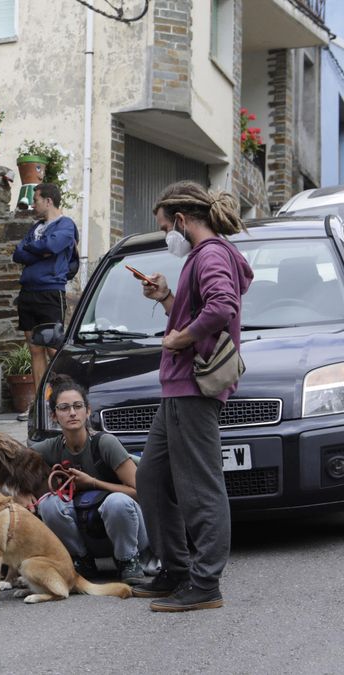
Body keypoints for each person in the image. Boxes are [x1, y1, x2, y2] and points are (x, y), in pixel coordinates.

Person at [132, 181, 252, 612]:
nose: (168, 236)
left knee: (199, 487)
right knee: (151, 478)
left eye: (166, 227)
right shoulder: (204, 258)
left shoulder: (211, 255)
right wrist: (167, 298)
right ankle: (177, 570)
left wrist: (182, 336)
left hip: (193, 387)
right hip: (178, 388)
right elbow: (200, 309)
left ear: (181, 221)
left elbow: (222, 307)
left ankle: (205, 583)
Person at [30, 375, 149, 586]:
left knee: (117, 501)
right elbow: (12, 460)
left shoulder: (105, 443)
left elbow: (140, 492)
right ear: (54, 416)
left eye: (77, 406)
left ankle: (128, 561)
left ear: (88, 410)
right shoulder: (51, 447)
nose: (72, 413)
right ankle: (81, 560)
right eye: (64, 408)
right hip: (88, 534)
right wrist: (23, 494)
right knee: (48, 504)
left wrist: (92, 483)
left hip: (128, 531)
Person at [11, 182, 77, 420]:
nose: (33, 205)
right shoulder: (36, 227)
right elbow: (18, 253)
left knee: (53, 348)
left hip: (50, 292)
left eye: (36, 199)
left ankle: (66, 402)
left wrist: (34, 250)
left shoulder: (66, 225)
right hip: (28, 292)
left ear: (48, 201)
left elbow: (53, 245)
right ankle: (39, 405)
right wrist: (40, 251)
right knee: (34, 349)